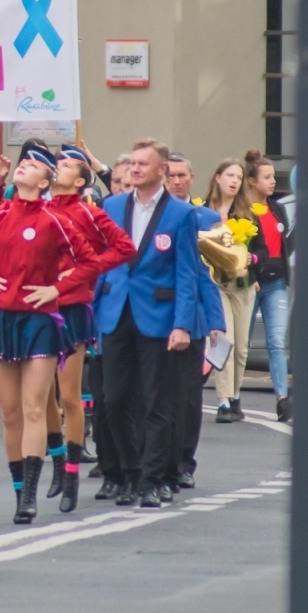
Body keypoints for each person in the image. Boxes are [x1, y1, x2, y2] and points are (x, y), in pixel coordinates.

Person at [0, 143, 99, 524]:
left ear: (46, 180)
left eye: (33, 165)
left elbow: (90, 261)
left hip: (40, 321)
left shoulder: (55, 218)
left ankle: (30, 494)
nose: (23, 167)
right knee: (10, 413)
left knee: (34, 406)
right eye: (22, 163)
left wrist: (58, 289)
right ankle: (17, 490)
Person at [92, 138, 206, 509]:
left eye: (144, 164)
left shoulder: (180, 214)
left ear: (161, 171)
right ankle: (126, 472)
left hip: (158, 315)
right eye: (133, 163)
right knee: (112, 399)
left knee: (156, 402)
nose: (135, 169)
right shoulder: (111, 206)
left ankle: (151, 479)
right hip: (115, 311)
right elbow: (101, 262)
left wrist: (183, 324)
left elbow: (187, 273)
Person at [168, 154, 226, 491]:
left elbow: (213, 274)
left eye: (182, 175)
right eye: (171, 175)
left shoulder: (207, 217)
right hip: (160, 315)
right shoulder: (157, 217)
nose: (176, 181)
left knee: (189, 396)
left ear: (192, 178)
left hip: (197, 317)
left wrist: (217, 322)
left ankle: (184, 463)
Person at [241, 149, 293, 422]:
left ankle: (282, 398)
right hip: (251, 284)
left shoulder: (277, 208)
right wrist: (249, 275)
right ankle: (231, 396)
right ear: (251, 181)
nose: (273, 182)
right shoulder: (242, 210)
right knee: (241, 342)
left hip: (276, 283)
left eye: (273, 176)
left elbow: (285, 241)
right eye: (267, 177)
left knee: (275, 340)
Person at [205, 160, 252, 423]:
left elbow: (262, 252)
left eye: (239, 176)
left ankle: (235, 396)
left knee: (242, 348)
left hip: (243, 286)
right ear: (218, 177)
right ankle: (222, 401)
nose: (235, 180)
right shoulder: (203, 210)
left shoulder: (247, 213)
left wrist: (249, 262)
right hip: (215, 285)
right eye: (230, 175)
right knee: (224, 341)